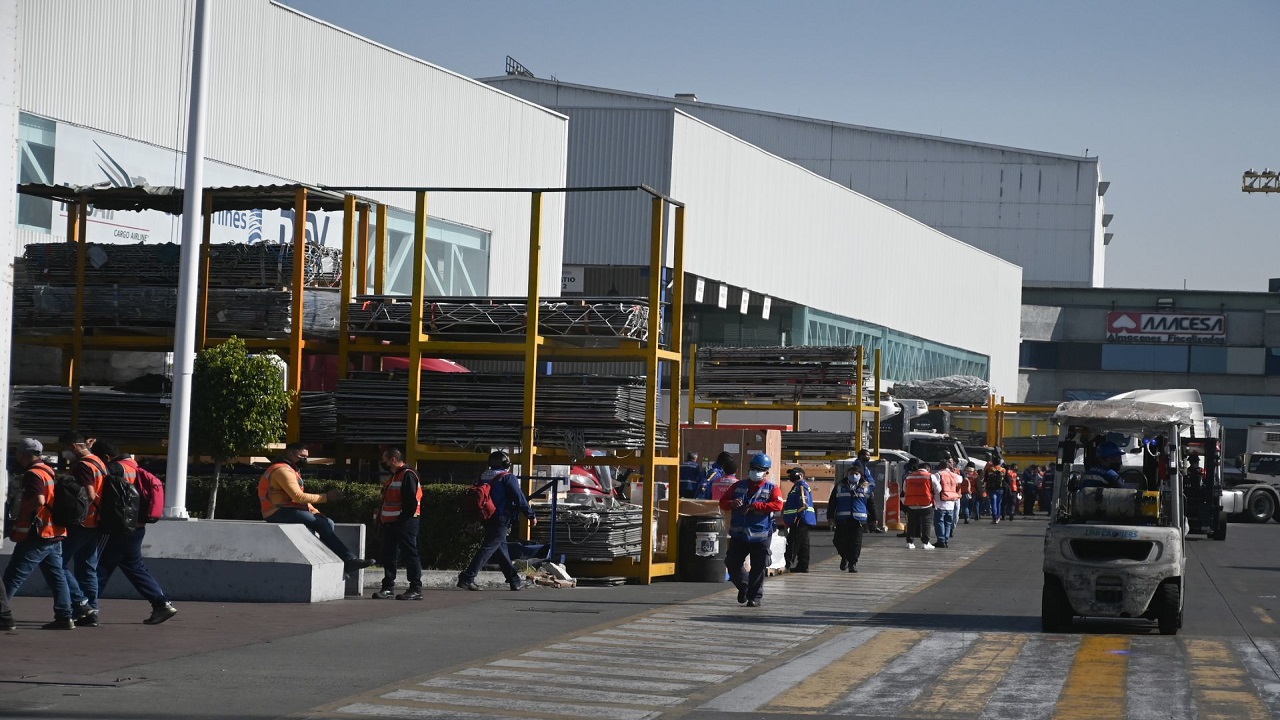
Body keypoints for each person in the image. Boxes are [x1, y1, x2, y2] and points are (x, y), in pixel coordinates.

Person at [92, 441, 178, 625]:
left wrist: (86, 454)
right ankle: (161, 603)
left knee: (98, 565)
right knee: (133, 566)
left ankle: (87, 608)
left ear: (106, 458)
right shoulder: (132, 465)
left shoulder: (115, 468)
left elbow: (94, 474)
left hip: (117, 527)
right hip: (136, 527)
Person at [259, 441, 371, 574]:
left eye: (306, 457)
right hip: (276, 512)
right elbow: (298, 497)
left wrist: (315, 512)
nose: (305, 460)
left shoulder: (291, 470)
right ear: (290, 454)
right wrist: (326, 497)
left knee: (327, 522)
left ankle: (335, 562)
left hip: (287, 510)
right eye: (302, 456)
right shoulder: (282, 470)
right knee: (322, 524)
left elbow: (299, 500)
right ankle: (349, 560)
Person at [2, 438, 75, 630]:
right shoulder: (48, 469)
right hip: (55, 531)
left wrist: (21, 513)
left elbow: (39, 499)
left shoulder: (33, 474)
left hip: (38, 532)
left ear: (23, 454)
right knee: (56, 576)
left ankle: (2, 615)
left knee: (13, 575)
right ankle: (64, 616)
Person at [457, 451, 537, 592]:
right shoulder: (507, 477)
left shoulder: (483, 476)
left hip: (486, 516)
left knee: (500, 548)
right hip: (502, 517)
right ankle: (467, 577)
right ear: (506, 464)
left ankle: (514, 580)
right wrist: (530, 515)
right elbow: (519, 498)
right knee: (488, 548)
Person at [719, 453, 784, 607]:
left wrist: (756, 506)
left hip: (760, 536)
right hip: (739, 534)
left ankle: (754, 597)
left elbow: (778, 505)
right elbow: (723, 502)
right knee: (732, 563)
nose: (755, 472)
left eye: (759, 469)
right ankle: (744, 586)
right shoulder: (738, 486)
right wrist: (732, 503)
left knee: (758, 567)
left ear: (766, 471)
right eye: (753, 469)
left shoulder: (772, 488)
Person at [58, 430, 108, 628]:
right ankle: (92, 612)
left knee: (58, 564)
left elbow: (89, 493)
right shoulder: (97, 461)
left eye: (64, 449)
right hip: (95, 523)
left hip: (81, 523)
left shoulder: (83, 466)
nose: (64, 454)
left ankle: (82, 603)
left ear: (72, 446)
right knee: (88, 568)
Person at [372, 449, 423, 601]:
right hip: (392, 522)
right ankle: (388, 587)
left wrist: (401, 519)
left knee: (410, 554)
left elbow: (411, 502)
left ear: (393, 459)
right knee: (389, 554)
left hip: (405, 522)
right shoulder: (396, 476)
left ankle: (415, 588)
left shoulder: (407, 474)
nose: (384, 463)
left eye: (385, 460)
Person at [827, 464, 871, 572]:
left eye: (856, 474)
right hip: (843, 519)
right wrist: (830, 516)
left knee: (855, 543)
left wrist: (874, 519)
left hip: (858, 520)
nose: (854, 476)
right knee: (838, 541)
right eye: (851, 474)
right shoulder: (839, 486)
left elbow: (871, 504)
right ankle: (844, 557)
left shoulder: (865, 487)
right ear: (847, 475)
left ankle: (853, 564)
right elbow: (832, 503)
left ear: (860, 475)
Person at [780, 467, 816, 573]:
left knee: (793, 542)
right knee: (803, 543)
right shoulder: (797, 486)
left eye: (793, 474)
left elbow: (803, 504)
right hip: (802, 518)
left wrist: (797, 516)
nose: (791, 476)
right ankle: (803, 565)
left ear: (801, 475)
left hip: (799, 519)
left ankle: (787, 563)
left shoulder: (801, 487)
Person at [901, 459, 935, 549]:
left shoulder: (909, 477)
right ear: (927, 469)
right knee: (926, 523)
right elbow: (938, 489)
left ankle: (909, 542)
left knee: (911, 523)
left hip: (911, 504)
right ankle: (925, 542)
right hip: (926, 504)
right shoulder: (930, 476)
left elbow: (904, 490)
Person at [853, 449, 884, 532]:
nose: (868, 457)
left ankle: (871, 526)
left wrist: (878, 461)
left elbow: (870, 464)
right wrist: (866, 487)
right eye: (867, 455)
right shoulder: (858, 464)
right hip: (865, 490)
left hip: (868, 489)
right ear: (861, 456)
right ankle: (870, 526)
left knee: (870, 507)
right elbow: (861, 476)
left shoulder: (863, 464)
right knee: (870, 507)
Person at [933, 458, 961, 548]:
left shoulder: (938, 475)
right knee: (948, 523)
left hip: (940, 503)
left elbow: (935, 487)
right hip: (951, 503)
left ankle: (941, 540)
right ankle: (946, 540)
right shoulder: (954, 475)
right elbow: (960, 479)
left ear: (939, 466)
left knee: (939, 522)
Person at [984, 458, 1007, 524]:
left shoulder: (989, 469)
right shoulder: (1003, 470)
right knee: (998, 503)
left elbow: (985, 479)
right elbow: (1005, 480)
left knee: (993, 503)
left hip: (992, 488)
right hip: (1000, 488)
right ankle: (998, 516)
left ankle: (994, 517)